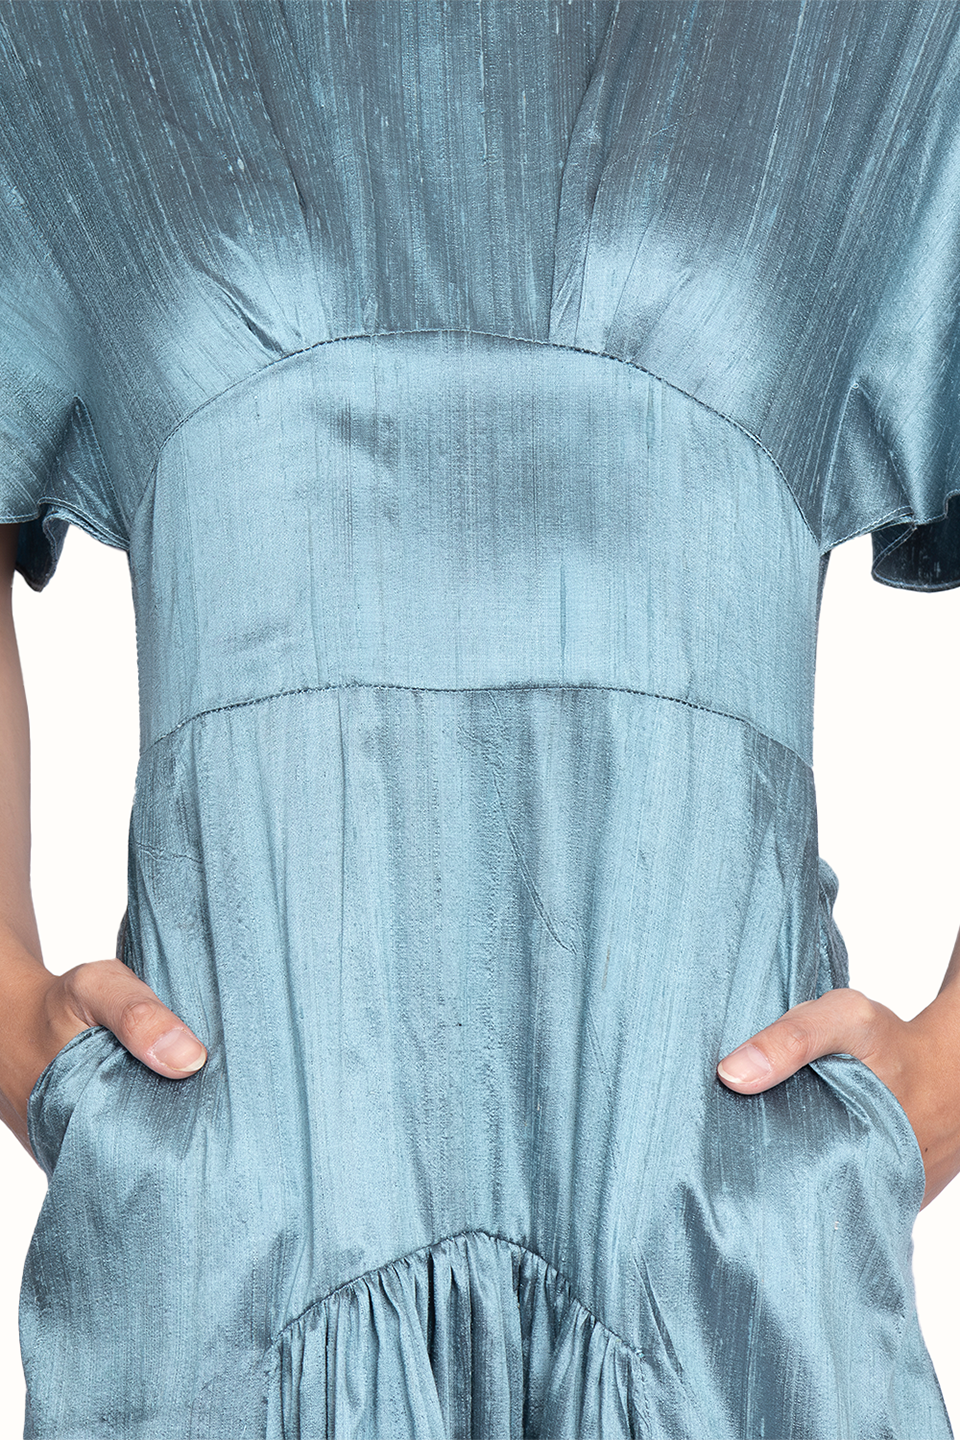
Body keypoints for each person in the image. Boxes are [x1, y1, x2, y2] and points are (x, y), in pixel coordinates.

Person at [1, 2, 959, 1435]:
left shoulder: (879, 33)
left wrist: (949, 1070)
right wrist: (7, 1009)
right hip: (230, 1263)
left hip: (715, 1262)